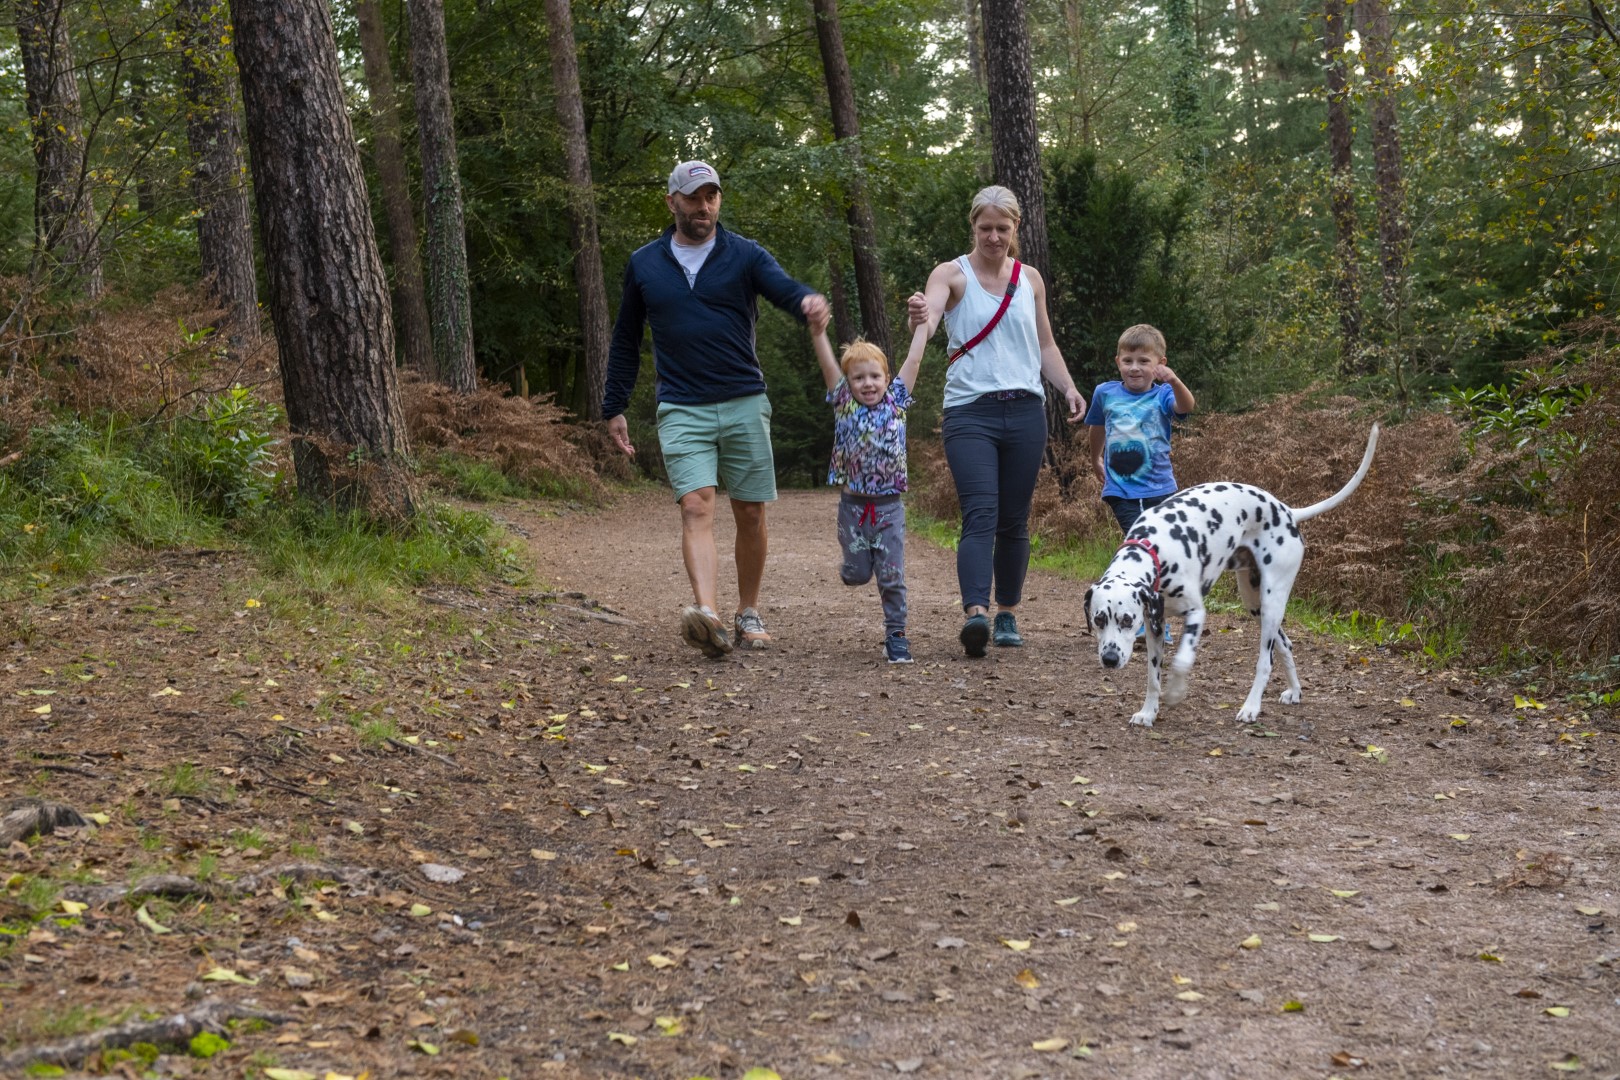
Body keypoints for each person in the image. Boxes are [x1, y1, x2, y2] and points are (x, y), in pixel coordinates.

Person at [603, 160, 829, 658]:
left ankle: (748, 611)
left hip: (744, 399)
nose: (703, 207)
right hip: (681, 405)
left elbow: (783, 287)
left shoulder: (744, 254)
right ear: (672, 203)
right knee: (695, 503)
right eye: (692, 198)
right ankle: (707, 615)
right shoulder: (644, 263)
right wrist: (613, 406)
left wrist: (806, 302)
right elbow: (625, 339)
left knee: (749, 511)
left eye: (711, 197)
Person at [906, 185, 1086, 658]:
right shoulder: (951, 274)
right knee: (980, 512)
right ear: (973, 227)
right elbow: (929, 317)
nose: (993, 237)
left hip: (1026, 410)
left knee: (1014, 520)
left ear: (1015, 229)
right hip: (970, 412)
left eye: (1002, 229)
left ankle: (1006, 612)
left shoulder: (1030, 279)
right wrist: (919, 320)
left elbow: (1045, 345)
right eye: (985, 228)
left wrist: (1067, 387)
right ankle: (976, 616)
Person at [810, 312, 931, 664]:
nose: (868, 383)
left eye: (875, 376)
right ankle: (853, 567)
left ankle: (896, 636)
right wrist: (819, 333)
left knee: (892, 576)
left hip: (890, 508)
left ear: (887, 379)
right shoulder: (844, 403)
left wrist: (922, 326)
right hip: (852, 508)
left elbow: (915, 358)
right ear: (848, 383)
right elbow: (828, 365)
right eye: (858, 377)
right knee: (859, 574)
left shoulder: (897, 402)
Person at [1084, 323, 1196, 642]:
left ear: (1159, 363)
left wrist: (1173, 380)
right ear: (1117, 361)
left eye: (1144, 361)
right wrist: (1095, 458)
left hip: (1162, 489)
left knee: (1160, 554)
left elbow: (1186, 407)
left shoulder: (1163, 394)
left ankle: (1156, 616)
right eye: (1128, 360)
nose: (1135, 367)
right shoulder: (1105, 393)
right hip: (1121, 491)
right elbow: (1096, 427)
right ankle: (1142, 619)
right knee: (1142, 552)